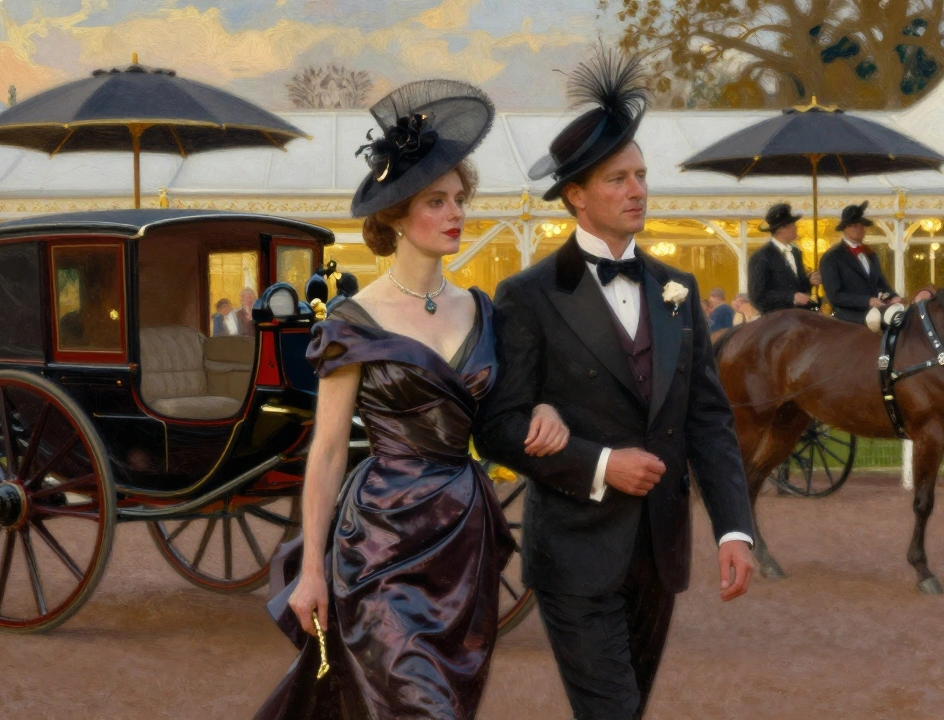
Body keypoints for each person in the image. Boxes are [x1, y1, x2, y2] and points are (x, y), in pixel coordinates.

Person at [258, 79, 570, 720]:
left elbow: (505, 416)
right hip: (380, 544)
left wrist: (545, 408)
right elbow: (325, 453)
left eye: (460, 198)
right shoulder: (353, 321)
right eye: (437, 200)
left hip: (465, 545)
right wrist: (312, 569)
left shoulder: (484, 312)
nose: (456, 212)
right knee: (418, 706)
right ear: (397, 214)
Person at [475, 50, 755, 720]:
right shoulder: (528, 295)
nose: (637, 190)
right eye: (618, 179)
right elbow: (498, 425)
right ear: (576, 195)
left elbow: (709, 420)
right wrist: (600, 463)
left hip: (659, 556)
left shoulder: (679, 293)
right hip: (574, 553)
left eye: (641, 176)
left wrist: (734, 530)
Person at [819, 201, 901, 329]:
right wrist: (867, 301)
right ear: (845, 228)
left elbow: (881, 283)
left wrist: (892, 296)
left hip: (874, 311)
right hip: (848, 316)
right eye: (854, 226)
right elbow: (834, 296)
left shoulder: (870, 254)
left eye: (862, 226)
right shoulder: (832, 257)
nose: (860, 229)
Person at [747, 202, 821, 314]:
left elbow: (798, 287)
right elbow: (757, 296)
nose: (795, 228)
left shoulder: (796, 253)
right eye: (791, 226)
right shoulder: (762, 257)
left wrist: (809, 281)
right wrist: (791, 298)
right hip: (776, 319)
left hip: (800, 315)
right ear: (779, 230)